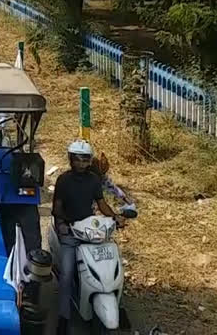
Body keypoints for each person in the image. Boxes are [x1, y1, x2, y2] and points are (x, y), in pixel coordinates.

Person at [53, 140, 123, 335]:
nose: (81, 164)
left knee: (109, 262)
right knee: (66, 276)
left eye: (85, 160)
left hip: (90, 230)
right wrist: (65, 224)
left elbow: (101, 204)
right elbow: (57, 208)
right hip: (71, 231)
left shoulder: (93, 180)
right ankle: (63, 318)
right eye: (78, 159)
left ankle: (117, 304)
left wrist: (115, 217)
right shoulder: (63, 180)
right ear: (71, 160)